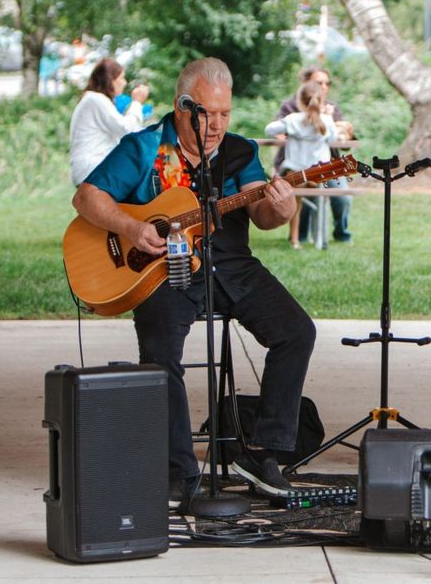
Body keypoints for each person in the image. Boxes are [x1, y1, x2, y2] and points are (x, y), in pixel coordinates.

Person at [72, 58, 314, 507]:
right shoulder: (145, 148)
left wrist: (282, 209)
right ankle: (178, 472)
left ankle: (263, 454)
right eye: (207, 114)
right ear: (181, 108)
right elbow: (86, 196)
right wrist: (130, 228)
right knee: (161, 351)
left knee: (297, 332)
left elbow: (262, 215)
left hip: (233, 266)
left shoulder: (241, 152)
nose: (217, 125)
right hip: (165, 271)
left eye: (225, 114)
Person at [273, 67, 356, 243]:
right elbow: (277, 133)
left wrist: (331, 121)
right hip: (297, 164)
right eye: (319, 83)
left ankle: (341, 235)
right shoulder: (290, 107)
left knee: (344, 198)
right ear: (306, 84)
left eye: (327, 83)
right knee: (304, 189)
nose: (324, 87)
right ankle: (300, 237)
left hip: (328, 165)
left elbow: (343, 138)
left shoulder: (332, 109)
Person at [265, 80, 338, 249]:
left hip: (296, 172)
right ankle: (319, 237)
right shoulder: (326, 120)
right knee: (322, 200)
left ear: (299, 101)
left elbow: (269, 129)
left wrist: (286, 132)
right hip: (319, 174)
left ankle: (295, 240)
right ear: (320, 101)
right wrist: (327, 115)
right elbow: (333, 139)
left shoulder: (292, 120)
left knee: (295, 203)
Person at [68, 58, 151, 186]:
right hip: (94, 169)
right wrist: (137, 102)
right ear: (110, 80)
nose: (125, 82)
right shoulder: (95, 99)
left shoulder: (93, 100)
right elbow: (127, 130)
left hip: (94, 169)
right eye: (122, 78)